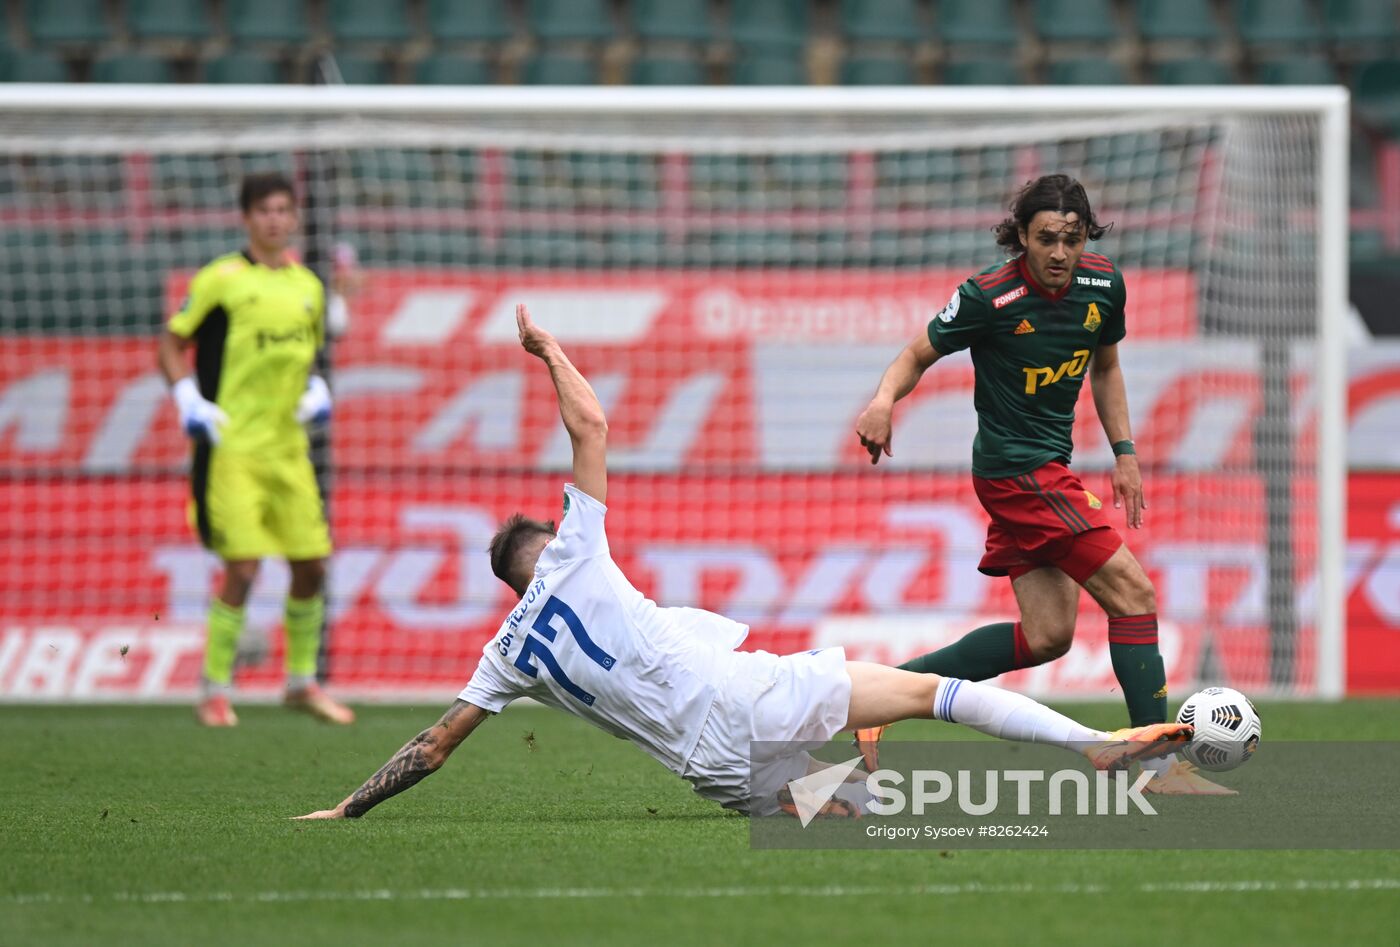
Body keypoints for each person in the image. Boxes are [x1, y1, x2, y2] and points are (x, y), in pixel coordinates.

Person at [294, 304, 1190, 823]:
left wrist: (348, 808)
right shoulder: (573, 552)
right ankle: (1097, 745)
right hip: (746, 691)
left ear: (508, 587)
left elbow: (434, 746)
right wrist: (549, 352)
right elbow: (591, 427)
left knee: (869, 822)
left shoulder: (505, 653)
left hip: (712, 767)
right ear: (547, 544)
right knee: (931, 694)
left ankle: (942, 804)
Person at [852, 174, 1225, 795]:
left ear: (1086, 239)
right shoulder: (987, 296)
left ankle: (877, 697)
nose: (1059, 252)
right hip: (1018, 473)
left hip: (1047, 467)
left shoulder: (1104, 285)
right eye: (1046, 238)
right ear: (1020, 237)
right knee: (1134, 594)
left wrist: (1125, 452)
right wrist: (883, 400)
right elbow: (917, 353)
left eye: (1072, 239)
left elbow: (1106, 368)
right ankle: (1157, 768)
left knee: (1047, 636)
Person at [157, 171, 354, 728]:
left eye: (283, 210)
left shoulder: (308, 287)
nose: (274, 219)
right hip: (232, 447)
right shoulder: (222, 279)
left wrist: (316, 388)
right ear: (246, 218)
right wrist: (187, 398)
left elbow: (307, 357)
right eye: (263, 210)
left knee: (312, 565)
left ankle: (300, 683)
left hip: (288, 449)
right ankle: (214, 690)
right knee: (243, 568)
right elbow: (171, 345)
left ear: (294, 218)